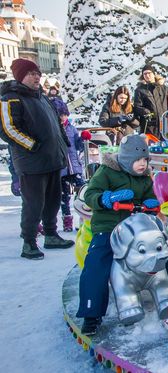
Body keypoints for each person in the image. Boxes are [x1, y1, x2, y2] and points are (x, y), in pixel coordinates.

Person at [76, 135, 168, 335]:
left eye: (145, 160)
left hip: (136, 226)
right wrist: (105, 198)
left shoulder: (144, 177)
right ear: (125, 159)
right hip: (109, 225)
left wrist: (151, 204)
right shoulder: (107, 172)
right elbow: (91, 194)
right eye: (137, 160)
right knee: (98, 262)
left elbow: (150, 198)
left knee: (166, 251)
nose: (142, 164)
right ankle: (91, 313)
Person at [0, 58, 74, 260]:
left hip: (52, 158)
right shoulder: (11, 98)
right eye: (31, 73)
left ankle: (51, 234)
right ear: (20, 76)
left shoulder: (42, 97)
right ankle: (29, 242)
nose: (36, 77)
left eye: (37, 73)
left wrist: (64, 143)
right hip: (31, 162)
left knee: (52, 200)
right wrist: (31, 145)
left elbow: (56, 124)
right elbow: (8, 129)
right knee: (34, 204)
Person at [51, 98, 85, 232]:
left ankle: (84, 218)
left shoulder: (71, 128)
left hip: (74, 167)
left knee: (82, 191)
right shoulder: (52, 129)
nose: (63, 117)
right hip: (61, 169)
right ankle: (67, 221)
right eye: (60, 115)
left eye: (65, 114)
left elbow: (78, 145)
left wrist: (83, 139)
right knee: (64, 196)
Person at [133, 65, 168, 137]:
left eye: (149, 73)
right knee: (150, 146)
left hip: (165, 123)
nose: (147, 75)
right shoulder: (140, 90)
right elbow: (137, 107)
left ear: (154, 74)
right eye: (145, 74)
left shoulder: (163, 88)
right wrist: (147, 112)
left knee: (166, 146)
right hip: (149, 125)